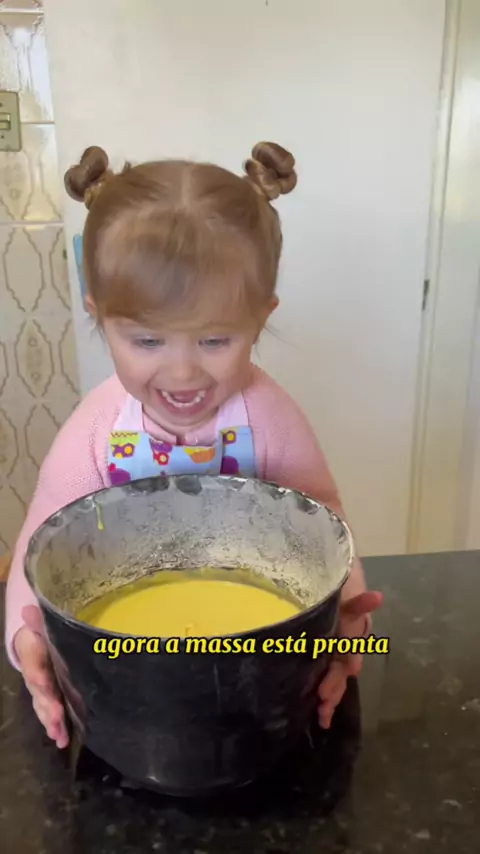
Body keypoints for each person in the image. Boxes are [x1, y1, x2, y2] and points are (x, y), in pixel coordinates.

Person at [5, 141, 383, 749]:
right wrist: (28, 642)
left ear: (261, 317)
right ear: (100, 316)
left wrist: (340, 630)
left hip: (255, 687)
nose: (182, 374)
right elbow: (40, 545)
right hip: (130, 690)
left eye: (214, 341)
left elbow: (323, 529)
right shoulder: (98, 428)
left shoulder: (270, 419)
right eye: (147, 341)